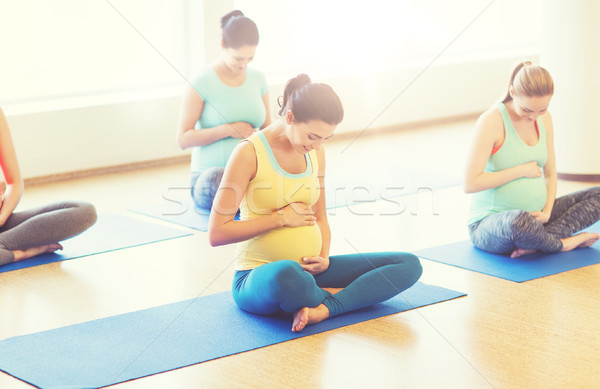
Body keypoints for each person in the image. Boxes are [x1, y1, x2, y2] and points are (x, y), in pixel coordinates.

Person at [208, 74, 422, 332]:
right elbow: (217, 232)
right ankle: (346, 296)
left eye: (325, 139)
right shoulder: (248, 153)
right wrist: (280, 218)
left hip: (312, 271)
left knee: (408, 264)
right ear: (290, 118)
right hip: (258, 277)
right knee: (286, 274)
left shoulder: (315, 151)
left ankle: (323, 308)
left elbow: (321, 216)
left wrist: (324, 257)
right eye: (312, 136)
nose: (317, 145)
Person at [464, 61, 600, 258]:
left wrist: (546, 211)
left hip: (538, 218)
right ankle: (563, 244)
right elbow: (470, 183)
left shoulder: (544, 119)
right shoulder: (492, 121)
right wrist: (520, 171)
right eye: (527, 110)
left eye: (542, 110)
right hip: (493, 224)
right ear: (512, 92)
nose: (534, 117)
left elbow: (551, 174)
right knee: (519, 221)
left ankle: (537, 242)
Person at [176, 10, 271, 210]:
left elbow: (268, 131)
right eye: (238, 58)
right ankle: (251, 199)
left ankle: (253, 195)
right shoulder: (201, 81)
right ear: (223, 46)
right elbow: (183, 139)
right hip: (209, 178)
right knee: (220, 180)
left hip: (250, 173)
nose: (243, 64)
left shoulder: (258, 79)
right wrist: (228, 130)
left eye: (250, 58)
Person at [0, 108, 97, 266]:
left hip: (2, 225)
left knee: (84, 210)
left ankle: (4, 248)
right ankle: (19, 252)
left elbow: (14, 182)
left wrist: (3, 217)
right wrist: (24, 253)